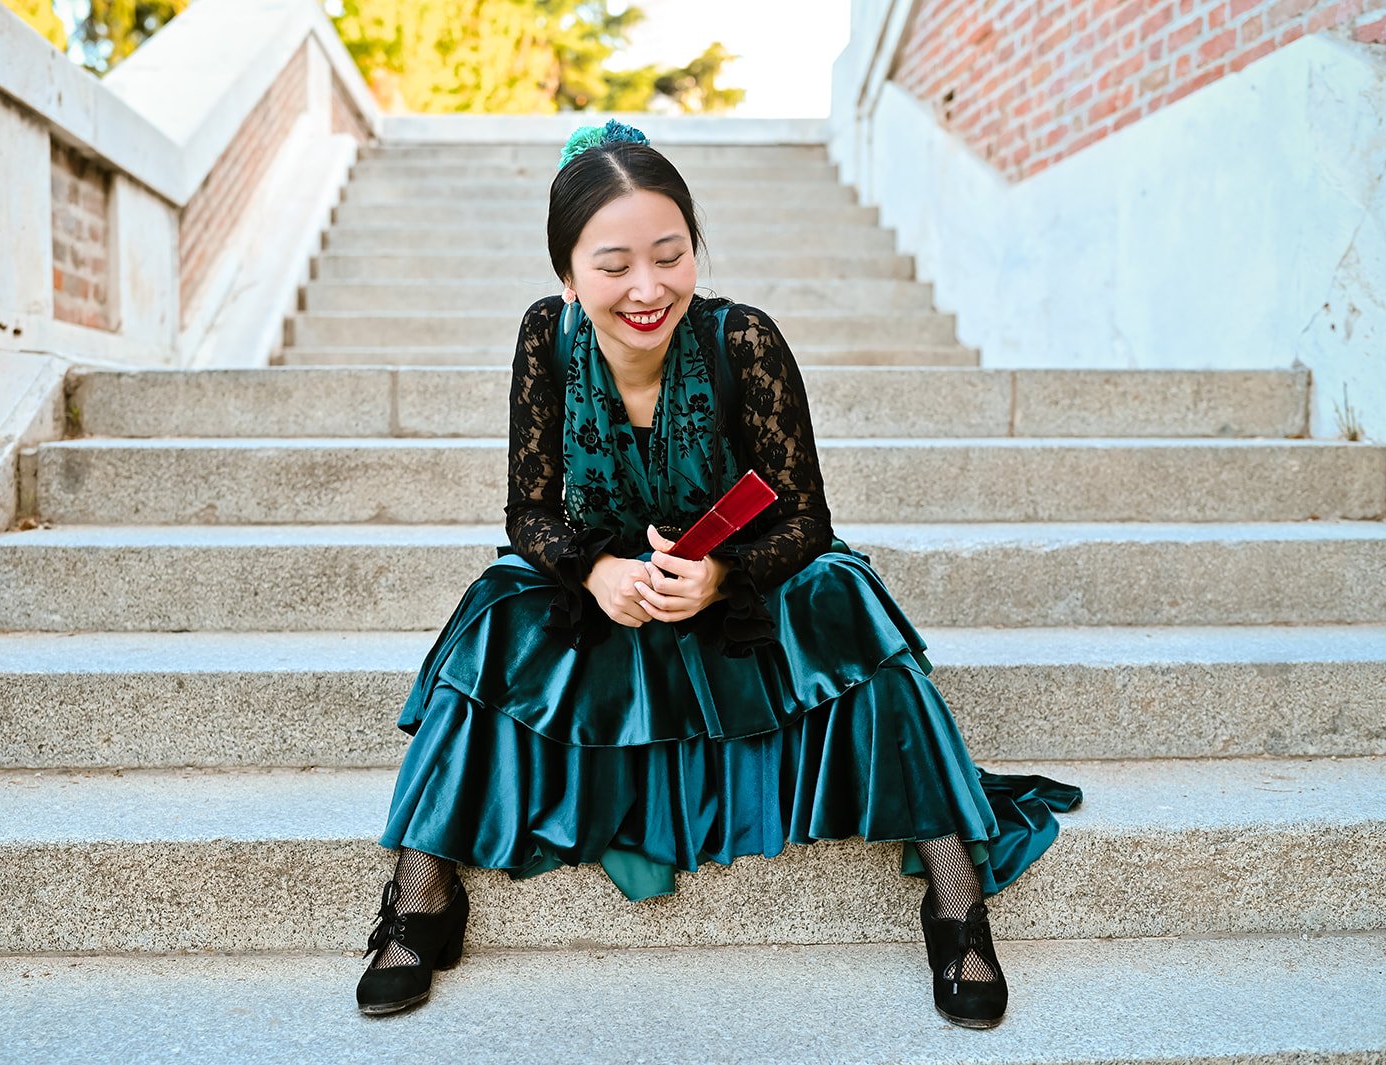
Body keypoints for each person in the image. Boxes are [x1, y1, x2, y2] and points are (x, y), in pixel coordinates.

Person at [353, 119, 1082, 1028]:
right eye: (613, 264)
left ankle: (956, 899)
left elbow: (808, 516)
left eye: (671, 254)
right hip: (613, 589)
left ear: (696, 248)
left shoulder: (745, 341)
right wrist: (594, 573)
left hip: (734, 587)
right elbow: (528, 511)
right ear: (567, 274)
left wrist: (721, 578)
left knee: (845, 598)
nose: (648, 287)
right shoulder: (546, 338)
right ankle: (422, 898)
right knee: (495, 612)